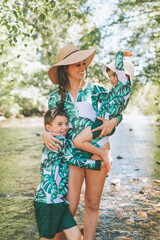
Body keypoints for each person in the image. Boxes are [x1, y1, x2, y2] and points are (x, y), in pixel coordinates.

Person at [42, 44, 122, 240]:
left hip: (99, 149)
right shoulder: (56, 97)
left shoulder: (97, 89)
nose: (82, 67)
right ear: (65, 68)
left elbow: (117, 109)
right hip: (72, 155)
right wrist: (43, 134)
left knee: (93, 204)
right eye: (77, 64)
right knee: (69, 205)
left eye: (83, 63)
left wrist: (115, 120)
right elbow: (50, 124)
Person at [34, 105, 102, 240]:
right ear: (49, 128)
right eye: (59, 124)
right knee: (47, 238)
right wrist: (98, 163)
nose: (64, 127)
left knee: (76, 236)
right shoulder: (58, 140)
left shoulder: (56, 137)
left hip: (59, 201)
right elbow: (73, 159)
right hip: (48, 201)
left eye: (66, 123)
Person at [73, 50, 134, 164]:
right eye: (110, 76)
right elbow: (107, 102)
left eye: (114, 75)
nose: (111, 79)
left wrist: (120, 53)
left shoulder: (124, 87)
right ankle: (99, 153)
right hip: (104, 122)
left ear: (125, 75)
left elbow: (119, 66)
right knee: (80, 140)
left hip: (101, 124)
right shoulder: (116, 91)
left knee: (77, 141)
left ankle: (103, 153)